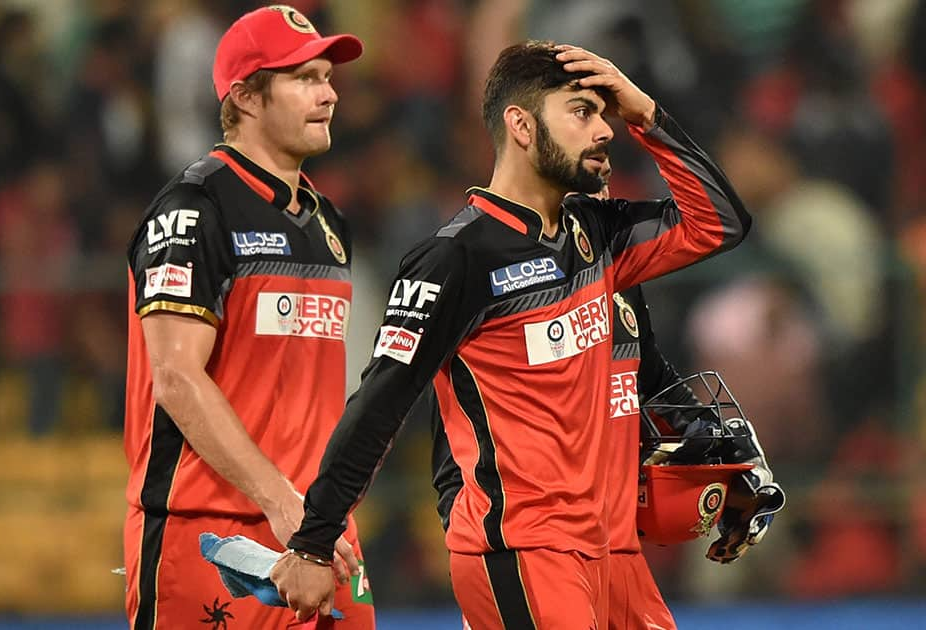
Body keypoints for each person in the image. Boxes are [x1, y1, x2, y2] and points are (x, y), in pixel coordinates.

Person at [272, 40, 751, 627]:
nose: (604, 129)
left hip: (613, 551)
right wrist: (313, 543)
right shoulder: (455, 258)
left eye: (605, 114)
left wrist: (646, 116)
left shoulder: (598, 236)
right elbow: (381, 405)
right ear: (521, 126)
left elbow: (720, 225)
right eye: (581, 111)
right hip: (525, 550)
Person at [428, 162, 783, 629]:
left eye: (607, 184)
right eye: (590, 186)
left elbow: (651, 377)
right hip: (528, 548)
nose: (607, 198)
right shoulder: (493, 276)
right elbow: (452, 434)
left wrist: (716, 447)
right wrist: (491, 556)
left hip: (614, 551)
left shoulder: (617, 279)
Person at [122, 6, 374, 629]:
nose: (329, 94)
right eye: (305, 78)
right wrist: (281, 502)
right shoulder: (194, 207)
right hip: (211, 538)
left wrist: (319, 514)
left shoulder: (327, 223)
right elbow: (176, 377)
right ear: (246, 98)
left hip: (324, 537)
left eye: (328, 76)